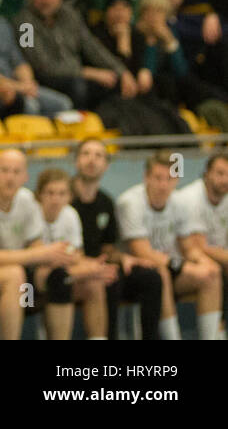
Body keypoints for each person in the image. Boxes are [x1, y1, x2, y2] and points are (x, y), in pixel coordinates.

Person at [0, 150, 68, 340]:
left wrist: (56, 256)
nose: (10, 177)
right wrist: (42, 254)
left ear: (25, 177)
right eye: (4, 170)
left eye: (16, 172)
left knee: (58, 275)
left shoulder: (27, 200)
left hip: (20, 268)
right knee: (14, 274)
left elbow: (36, 245)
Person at [117, 153, 224, 339]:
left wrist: (203, 262)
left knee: (212, 273)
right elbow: (142, 251)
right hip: (139, 273)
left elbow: (188, 247)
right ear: (146, 178)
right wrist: (184, 266)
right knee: (161, 273)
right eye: (158, 178)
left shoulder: (178, 202)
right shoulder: (130, 202)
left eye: (169, 179)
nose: (163, 185)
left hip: (172, 266)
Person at [70, 139, 164, 340]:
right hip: (73, 268)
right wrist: (90, 266)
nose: (91, 160)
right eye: (86, 154)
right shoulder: (62, 197)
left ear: (106, 165)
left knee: (151, 276)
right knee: (109, 279)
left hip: (100, 265)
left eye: (98, 156)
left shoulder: (106, 202)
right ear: (76, 161)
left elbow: (108, 247)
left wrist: (123, 258)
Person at [34, 168, 115, 339]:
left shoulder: (70, 215)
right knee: (57, 277)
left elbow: (76, 255)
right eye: (50, 193)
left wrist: (91, 266)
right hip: (31, 280)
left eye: (62, 194)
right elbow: (37, 259)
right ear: (40, 195)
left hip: (61, 272)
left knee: (94, 284)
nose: (56, 199)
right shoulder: (33, 215)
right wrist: (84, 266)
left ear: (69, 197)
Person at [174, 152, 228, 329]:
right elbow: (198, 248)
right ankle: (217, 331)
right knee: (215, 270)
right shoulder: (190, 198)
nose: (225, 180)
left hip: (218, 259)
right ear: (207, 174)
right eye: (220, 173)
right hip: (184, 262)